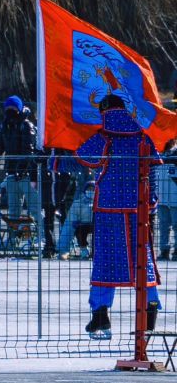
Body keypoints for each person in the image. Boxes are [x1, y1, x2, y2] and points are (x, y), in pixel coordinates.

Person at [76, 96, 162, 339]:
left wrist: (55, 151)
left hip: (108, 210)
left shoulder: (105, 138)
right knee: (142, 260)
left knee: (106, 263)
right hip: (139, 208)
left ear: (104, 111)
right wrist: (152, 201)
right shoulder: (143, 137)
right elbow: (153, 169)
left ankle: (101, 317)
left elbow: (82, 156)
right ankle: (150, 314)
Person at [0, 96, 41, 226]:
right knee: (13, 210)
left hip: (27, 174)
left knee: (34, 207)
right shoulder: (5, 126)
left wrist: (21, 170)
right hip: (11, 173)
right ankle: (14, 238)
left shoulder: (26, 126)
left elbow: (28, 151)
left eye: (13, 108)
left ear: (19, 109)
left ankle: (40, 236)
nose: (10, 111)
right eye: (8, 108)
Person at [157, 140, 177, 261]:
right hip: (161, 196)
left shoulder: (174, 153)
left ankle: (176, 250)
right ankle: (164, 249)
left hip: (175, 196)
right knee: (163, 225)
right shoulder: (157, 152)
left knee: (176, 224)